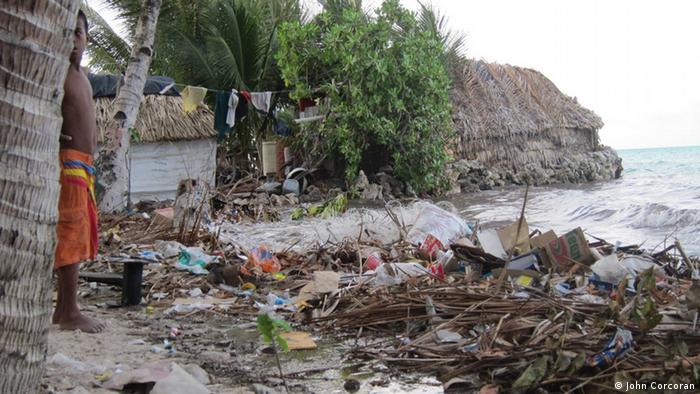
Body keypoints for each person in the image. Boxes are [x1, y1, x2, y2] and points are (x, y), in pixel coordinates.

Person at [52, 10, 105, 333]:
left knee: (78, 232)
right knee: (70, 234)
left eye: (79, 33)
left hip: (83, 164)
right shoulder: (55, 73)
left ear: (86, 38)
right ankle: (70, 311)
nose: (73, 40)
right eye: (68, 32)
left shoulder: (82, 75)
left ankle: (62, 310)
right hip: (68, 162)